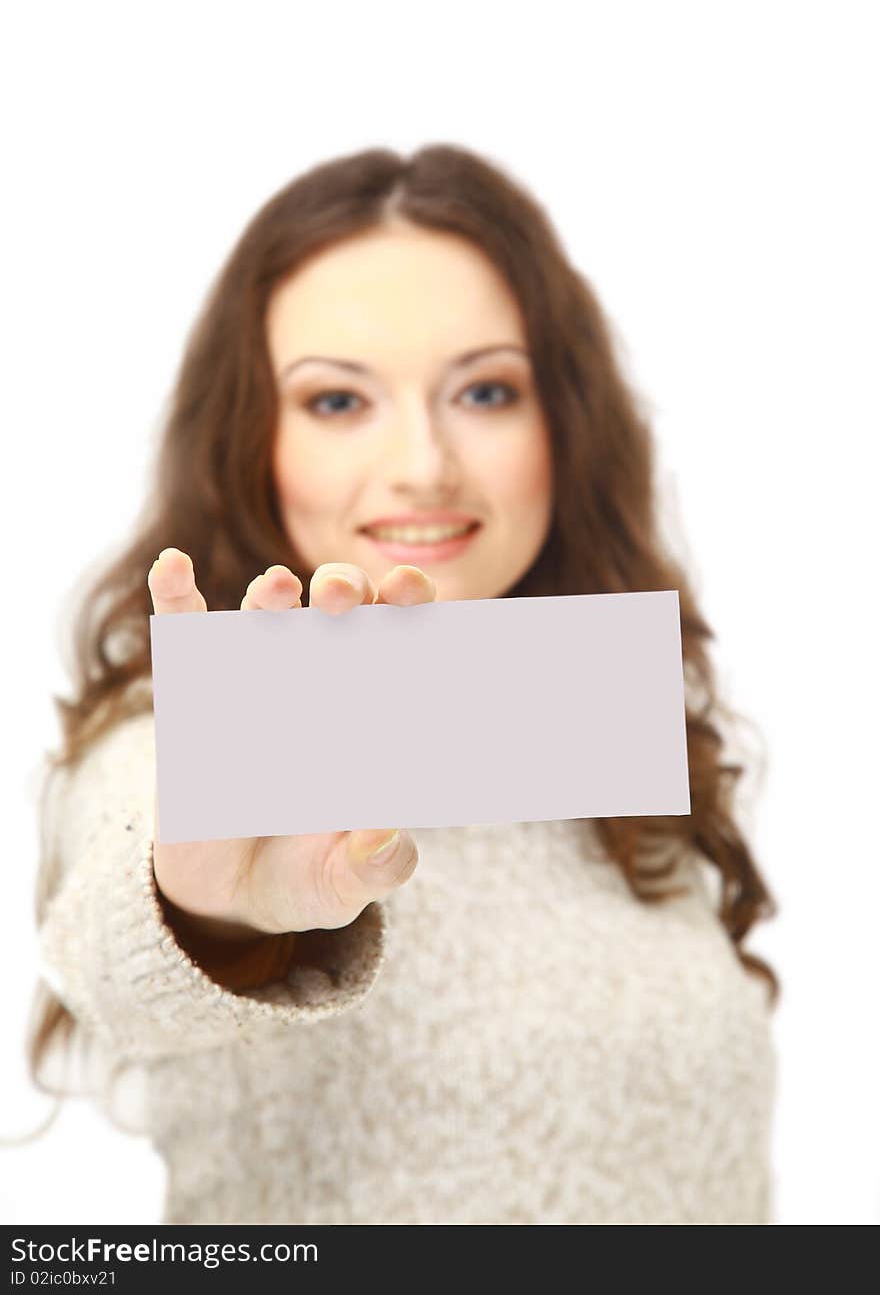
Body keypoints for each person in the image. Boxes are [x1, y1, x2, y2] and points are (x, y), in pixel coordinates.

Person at [23, 144, 779, 1225]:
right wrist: (206, 909)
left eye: (484, 389)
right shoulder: (183, 735)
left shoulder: (617, 745)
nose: (424, 461)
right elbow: (115, 937)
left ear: (562, 424)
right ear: (252, 440)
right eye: (338, 401)